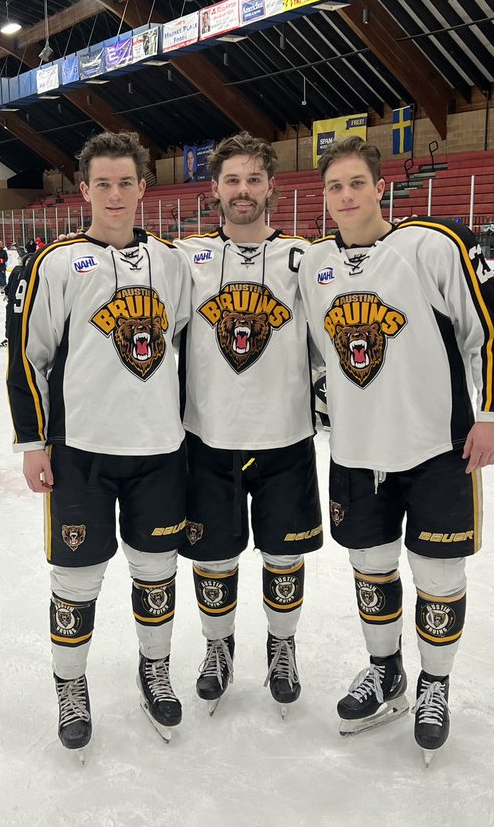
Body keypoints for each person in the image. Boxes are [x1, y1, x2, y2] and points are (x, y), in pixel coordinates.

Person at [298, 137, 494, 764]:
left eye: (356, 184)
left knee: (439, 575)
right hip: (357, 454)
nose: (346, 196)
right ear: (325, 197)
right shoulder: (314, 267)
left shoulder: (434, 245)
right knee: (371, 569)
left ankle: (435, 684)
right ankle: (387, 670)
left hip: (437, 449)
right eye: (335, 187)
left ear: (380, 186)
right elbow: (313, 357)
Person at [7, 131, 191, 756]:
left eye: (126, 182)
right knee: (76, 577)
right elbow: (28, 359)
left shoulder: (171, 262)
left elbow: (189, 349)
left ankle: (155, 667)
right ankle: (70, 683)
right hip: (80, 451)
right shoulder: (56, 262)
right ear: (83, 191)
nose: (115, 195)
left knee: (156, 571)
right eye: (103, 184)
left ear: (144, 187)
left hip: (161, 449)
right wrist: (33, 440)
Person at [173, 132, 322, 717]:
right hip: (209, 439)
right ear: (214, 190)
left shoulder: (304, 260)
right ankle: (218, 649)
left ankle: (282, 648)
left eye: (252, 179)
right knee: (213, 557)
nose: (242, 190)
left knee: (284, 558)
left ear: (271, 187)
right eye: (231, 180)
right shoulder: (186, 259)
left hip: (286, 437)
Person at [0, 240, 35, 348]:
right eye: (28, 260)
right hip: (13, 301)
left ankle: (24, 339)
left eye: (31, 260)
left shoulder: (34, 273)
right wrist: (7, 293)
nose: (29, 262)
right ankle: (9, 338)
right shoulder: (17, 270)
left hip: (26, 303)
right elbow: (10, 282)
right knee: (9, 321)